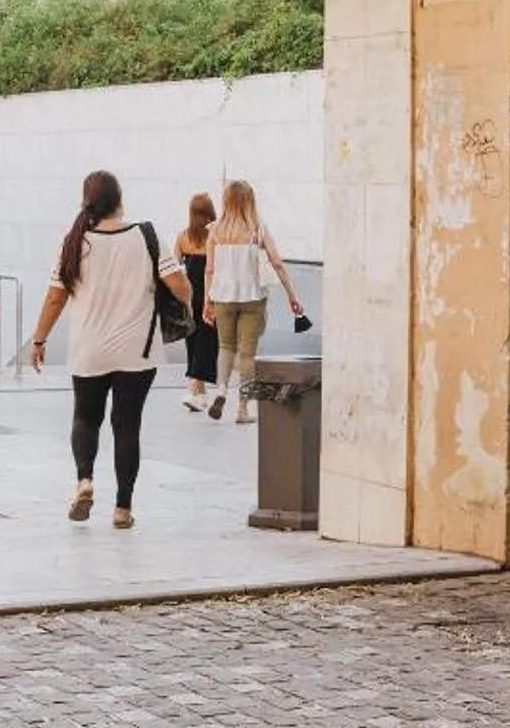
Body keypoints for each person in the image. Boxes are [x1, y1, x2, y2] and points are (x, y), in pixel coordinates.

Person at [25, 170, 190, 531]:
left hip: (89, 349)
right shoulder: (146, 236)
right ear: (120, 201)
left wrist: (39, 340)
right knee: (127, 427)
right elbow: (179, 286)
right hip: (137, 351)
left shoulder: (74, 242)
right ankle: (122, 510)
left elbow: (56, 296)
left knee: (86, 418)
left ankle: (84, 482)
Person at [204, 178, 304, 425]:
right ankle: (242, 409)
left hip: (222, 298)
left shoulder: (215, 230)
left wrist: (207, 301)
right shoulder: (257, 229)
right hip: (253, 298)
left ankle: (221, 392)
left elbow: (209, 270)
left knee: (225, 347)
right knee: (248, 354)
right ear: (250, 201)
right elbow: (277, 263)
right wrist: (293, 296)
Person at [176, 193, 219, 411]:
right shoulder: (216, 235)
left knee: (193, 342)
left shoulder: (183, 237)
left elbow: (176, 266)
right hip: (211, 295)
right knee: (207, 342)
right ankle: (194, 387)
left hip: (190, 296)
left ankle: (199, 394)